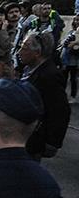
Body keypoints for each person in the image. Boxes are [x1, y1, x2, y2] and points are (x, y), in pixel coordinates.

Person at [17, 30, 70, 159]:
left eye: (24, 48)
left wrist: (52, 142)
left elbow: (60, 111)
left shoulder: (50, 76)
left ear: (37, 53)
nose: (19, 52)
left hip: (34, 139)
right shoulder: (28, 69)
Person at [61, 15, 79, 100]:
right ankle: (63, 95)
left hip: (75, 60)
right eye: (76, 20)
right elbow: (65, 44)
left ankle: (73, 96)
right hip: (67, 59)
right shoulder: (71, 32)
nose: (77, 22)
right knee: (64, 78)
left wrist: (75, 43)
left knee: (73, 79)